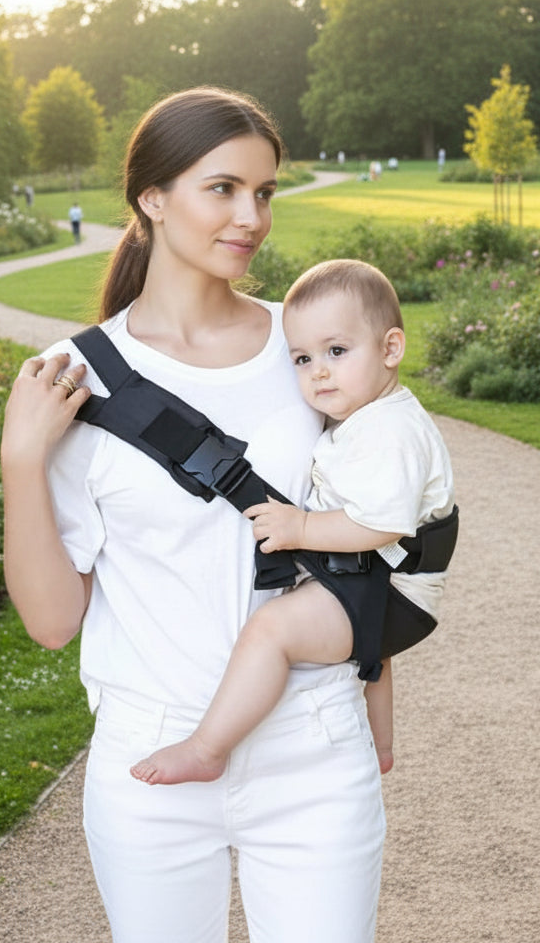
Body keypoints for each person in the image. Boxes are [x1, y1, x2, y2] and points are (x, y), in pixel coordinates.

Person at [1, 87, 386, 943]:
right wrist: (21, 462)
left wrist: (377, 702)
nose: (251, 216)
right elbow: (54, 620)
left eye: (265, 192)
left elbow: (382, 541)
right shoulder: (74, 377)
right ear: (152, 199)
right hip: (151, 762)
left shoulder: (313, 349)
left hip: (312, 748)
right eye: (223, 189)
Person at [129, 258, 455, 787]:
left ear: (391, 349)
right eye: (302, 358)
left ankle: (207, 748)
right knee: (369, 651)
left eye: (337, 351)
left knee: (271, 630)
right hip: (386, 588)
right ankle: (381, 747)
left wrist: (300, 529)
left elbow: (381, 526)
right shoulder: (368, 415)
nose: (318, 371)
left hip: (392, 592)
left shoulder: (390, 432)